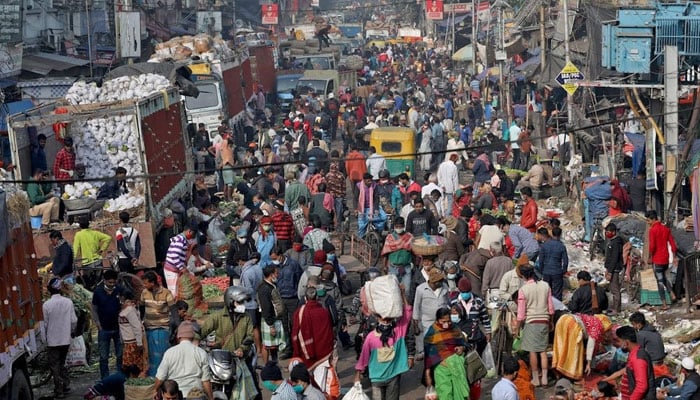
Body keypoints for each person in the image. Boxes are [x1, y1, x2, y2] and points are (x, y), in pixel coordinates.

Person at [354, 290, 414, 400]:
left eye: (389, 318)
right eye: (383, 318)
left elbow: (408, 311)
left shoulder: (398, 331)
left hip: (393, 376)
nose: (386, 321)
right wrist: (357, 376)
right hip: (376, 378)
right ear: (377, 318)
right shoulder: (371, 337)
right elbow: (363, 357)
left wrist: (402, 294)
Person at [515, 264, 554, 387]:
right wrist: (551, 321)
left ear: (522, 275)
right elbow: (551, 308)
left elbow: (521, 314)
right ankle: (545, 378)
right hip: (544, 320)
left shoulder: (523, 290)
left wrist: (517, 328)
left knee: (533, 351)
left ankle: (536, 378)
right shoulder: (545, 286)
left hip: (531, 322)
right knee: (542, 351)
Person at [154, 322, 213, 399]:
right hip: (196, 396)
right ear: (192, 337)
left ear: (178, 337)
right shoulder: (201, 353)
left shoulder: (170, 352)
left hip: (175, 394)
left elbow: (160, 377)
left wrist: (155, 390)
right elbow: (206, 381)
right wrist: (211, 398)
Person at [423, 307, 470, 400]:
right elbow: (429, 354)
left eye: (448, 321)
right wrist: (427, 372)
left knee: (459, 393)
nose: (446, 324)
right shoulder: (432, 332)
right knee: (445, 394)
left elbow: (464, 343)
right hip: (441, 369)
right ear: (437, 320)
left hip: (457, 367)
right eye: (443, 321)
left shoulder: (455, 328)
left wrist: (462, 348)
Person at [43, 278, 78, 399]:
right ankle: (66, 386)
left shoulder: (46, 305)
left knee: (55, 365)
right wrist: (71, 331)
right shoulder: (68, 302)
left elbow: (45, 324)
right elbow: (74, 320)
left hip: (52, 340)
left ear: (49, 291)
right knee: (62, 363)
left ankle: (59, 390)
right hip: (65, 339)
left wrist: (44, 339)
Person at [552, 313, 613, 381]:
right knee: (574, 353)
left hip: (562, 319)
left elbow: (593, 348)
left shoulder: (593, 319)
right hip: (572, 324)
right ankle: (571, 375)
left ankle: (558, 370)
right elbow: (591, 344)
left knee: (562, 347)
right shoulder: (598, 326)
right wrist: (588, 364)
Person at [141, 270, 176, 376]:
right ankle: (153, 378)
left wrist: (177, 325)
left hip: (162, 328)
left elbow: (173, 310)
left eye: (146, 283)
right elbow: (141, 308)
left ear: (153, 283)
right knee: (150, 355)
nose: (144, 285)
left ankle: (161, 377)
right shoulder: (144, 292)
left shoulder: (166, 293)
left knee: (160, 355)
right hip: (148, 328)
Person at [292, 286, 334, 369]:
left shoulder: (299, 312)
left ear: (305, 298)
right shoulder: (324, 312)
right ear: (317, 297)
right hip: (323, 353)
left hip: (305, 353)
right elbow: (329, 332)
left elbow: (295, 333)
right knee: (322, 380)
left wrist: (296, 352)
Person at [91, 269, 123, 379]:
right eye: (110, 282)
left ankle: (120, 377)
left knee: (120, 355)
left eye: (114, 282)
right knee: (104, 357)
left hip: (118, 329)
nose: (112, 284)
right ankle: (105, 379)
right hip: (104, 329)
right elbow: (94, 309)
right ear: (104, 281)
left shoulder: (119, 290)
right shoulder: (98, 292)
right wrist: (98, 324)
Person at [414, 268, 451, 358]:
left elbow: (448, 302)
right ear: (434, 282)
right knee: (430, 345)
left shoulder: (445, 287)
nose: (442, 282)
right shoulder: (421, 289)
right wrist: (415, 324)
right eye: (440, 280)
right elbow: (416, 306)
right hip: (427, 322)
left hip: (442, 322)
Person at [647, 210, 678, 310]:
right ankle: (672, 293)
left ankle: (664, 304)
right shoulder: (665, 229)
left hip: (657, 259)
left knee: (659, 282)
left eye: (648, 220)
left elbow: (652, 246)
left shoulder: (652, 230)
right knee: (663, 278)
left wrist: (650, 257)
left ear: (652, 219)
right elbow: (673, 244)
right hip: (666, 258)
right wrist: (674, 256)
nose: (648, 222)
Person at [616, 325, 654, 400]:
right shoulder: (634, 354)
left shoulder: (638, 359)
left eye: (619, 341)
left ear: (626, 342)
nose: (618, 344)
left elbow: (641, 386)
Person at [258, 265, 287, 364]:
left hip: (274, 319)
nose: (278, 275)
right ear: (271, 275)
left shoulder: (271, 286)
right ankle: (266, 365)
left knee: (274, 345)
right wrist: (271, 325)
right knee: (267, 345)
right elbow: (266, 308)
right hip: (269, 320)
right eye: (276, 273)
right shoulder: (264, 288)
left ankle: (275, 363)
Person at [73, 215, 112, 288]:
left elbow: (75, 249)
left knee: (89, 285)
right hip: (98, 261)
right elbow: (108, 238)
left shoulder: (79, 235)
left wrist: (73, 260)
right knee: (99, 284)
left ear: (80, 225)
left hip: (87, 263)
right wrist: (102, 249)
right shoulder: (95, 233)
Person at [164, 224, 197, 297]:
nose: (192, 237)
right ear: (189, 231)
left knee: (177, 291)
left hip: (173, 269)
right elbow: (174, 255)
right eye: (193, 234)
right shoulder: (181, 240)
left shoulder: (180, 238)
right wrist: (181, 268)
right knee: (174, 293)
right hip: (171, 270)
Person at [381, 216, 414, 289]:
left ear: (404, 226)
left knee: (407, 289)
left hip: (406, 267)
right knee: (394, 290)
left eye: (400, 226)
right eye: (397, 226)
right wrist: (384, 266)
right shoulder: (390, 238)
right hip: (393, 268)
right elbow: (385, 253)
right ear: (394, 226)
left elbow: (414, 252)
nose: (399, 228)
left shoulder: (409, 237)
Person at [118, 290, 146, 376]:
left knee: (134, 366)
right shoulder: (124, 309)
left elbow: (136, 327)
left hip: (133, 343)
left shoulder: (130, 310)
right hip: (128, 342)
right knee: (129, 366)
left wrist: (139, 343)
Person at [538, 227, 568, 300]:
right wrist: (563, 271)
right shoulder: (561, 246)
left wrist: (541, 270)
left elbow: (541, 260)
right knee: (557, 292)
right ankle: (557, 309)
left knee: (547, 291)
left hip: (546, 271)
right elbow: (566, 261)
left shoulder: (544, 245)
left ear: (552, 233)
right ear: (560, 234)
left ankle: (548, 308)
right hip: (557, 271)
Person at [357, 172, 387, 237]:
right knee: (362, 226)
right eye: (368, 181)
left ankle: (379, 232)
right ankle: (361, 239)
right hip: (362, 208)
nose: (370, 182)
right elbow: (355, 198)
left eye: (371, 180)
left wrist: (375, 209)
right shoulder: (358, 186)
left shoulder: (374, 185)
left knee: (384, 217)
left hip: (373, 206)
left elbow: (376, 198)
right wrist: (356, 209)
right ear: (364, 180)